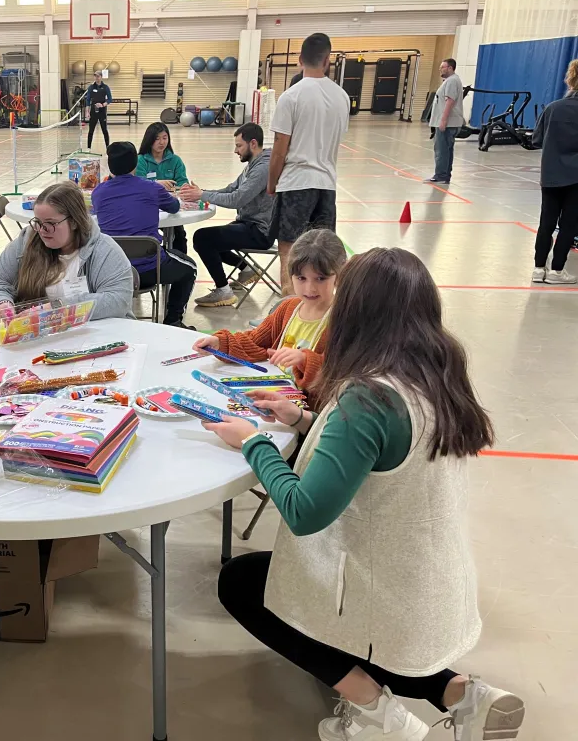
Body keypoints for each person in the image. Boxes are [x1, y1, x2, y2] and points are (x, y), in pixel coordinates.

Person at [207, 247, 525, 741]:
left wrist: (255, 443)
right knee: (369, 636)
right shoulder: (438, 371)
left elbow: (305, 511)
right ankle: (461, 694)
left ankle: (377, 713)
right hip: (436, 582)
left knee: (244, 584)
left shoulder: (369, 396)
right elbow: (382, 457)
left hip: (384, 587)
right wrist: (303, 421)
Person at [193, 229, 345, 405]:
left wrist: (305, 360)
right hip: (275, 400)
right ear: (291, 276)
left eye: (320, 279)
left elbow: (340, 375)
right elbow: (256, 341)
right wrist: (220, 343)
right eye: (301, 278)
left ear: (339, 275)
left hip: (307, 413)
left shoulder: (343, 320)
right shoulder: (288, 308)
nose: (310, 288)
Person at [268, 32, 350, 295]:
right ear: (327, 60)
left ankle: (288, 312)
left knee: (290, 253)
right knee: (323, 256)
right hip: (326, 184)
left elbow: (280, 150)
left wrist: (272, 184)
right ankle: (321, 314)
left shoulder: (291, 97)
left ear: (300, 59)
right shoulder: (342, 97)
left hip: (295, 183)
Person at [0, 181, 134, 321]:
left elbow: (118, 301)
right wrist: (2, 304)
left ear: (75, 222)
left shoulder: (104, 250)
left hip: (94, 338)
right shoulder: (25, 242)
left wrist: (58, 308)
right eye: (37, 222)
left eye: (50, 223)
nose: (41, 231)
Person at [93, 142, 197, 329]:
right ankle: (173, 320)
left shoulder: (99, 192)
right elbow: (174, 207)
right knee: (189, 269)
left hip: (113, 270)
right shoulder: (151, 188)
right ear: (135, 164)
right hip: (150, 269)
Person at [183, 122, 276, 307]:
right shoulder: (253, 164)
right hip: (247, 224)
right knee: (209, 237)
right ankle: (246, 269)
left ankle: (223, 290)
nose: (236, 150)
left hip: (259, 231)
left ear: (253, 144)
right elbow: (231, 188)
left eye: (239, 145)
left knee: (203, 237)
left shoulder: (262, 168)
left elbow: (237, 199)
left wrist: (202, 195)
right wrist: (201, 193)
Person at [530, 58, 578, 285]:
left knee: (546, 223)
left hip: (550, 174)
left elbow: (536, 140)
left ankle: (539, 268)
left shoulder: (552, 108)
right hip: (576, 177)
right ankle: (557, 271)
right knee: (569, 224)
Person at [136, 122, 190, 253]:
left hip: (170, 205)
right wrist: (156, 183)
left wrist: (184, 188)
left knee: (179, 236)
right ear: (149, 140)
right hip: (147, 206)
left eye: (164, 138)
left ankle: (181, 266)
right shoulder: (141, 160)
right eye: (157, 138)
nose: (161, 142)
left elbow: (183, 181)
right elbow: (138, 182)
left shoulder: (175, 160)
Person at [425, 58, 465, 186]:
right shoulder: (450, 81)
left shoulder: (452, 81)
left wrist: (443, 120)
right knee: (447, 150)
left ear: (450, 68)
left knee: (442, 149)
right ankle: (445, 174)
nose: (440, 69)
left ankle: (441, 175)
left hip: (448, 124)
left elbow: (450, 101)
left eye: (443, 67)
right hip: (448, 123)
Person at [85, 71, 112, 150]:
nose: (96, 78)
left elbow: (110, 99)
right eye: (95, 76)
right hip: (93, 111)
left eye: (98, 76)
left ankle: (108, 148)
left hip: (102, 111)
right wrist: (87, 112)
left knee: (104, 130)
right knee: (91, 130)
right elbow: (88, 100)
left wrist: (103, 104)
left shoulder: (105, 87)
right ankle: (88, 148)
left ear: (101, 77)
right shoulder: (91, 87)